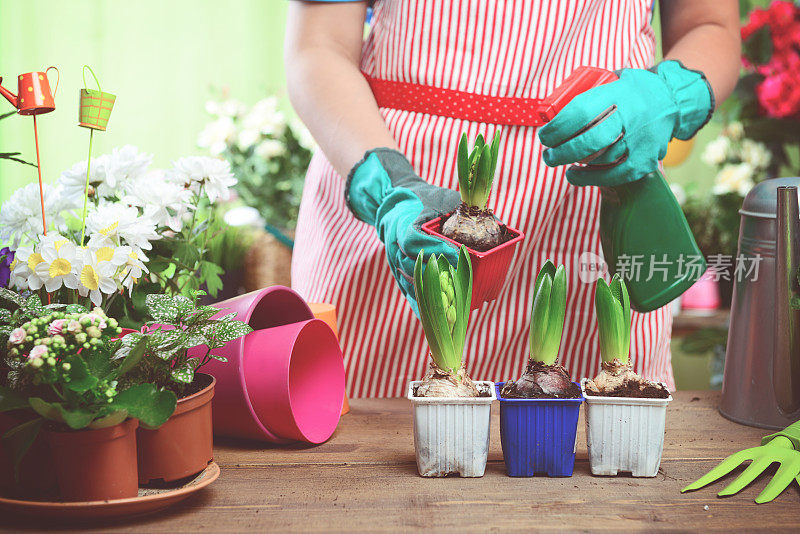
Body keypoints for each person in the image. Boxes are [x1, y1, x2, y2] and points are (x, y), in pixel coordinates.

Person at [285, 0, 741, 397]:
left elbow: (711, 24)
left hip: (592, 191)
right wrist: (389, 186)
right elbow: (318, 47)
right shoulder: (393, 189)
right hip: (397, 191)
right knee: (358, 462)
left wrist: (666, 95)